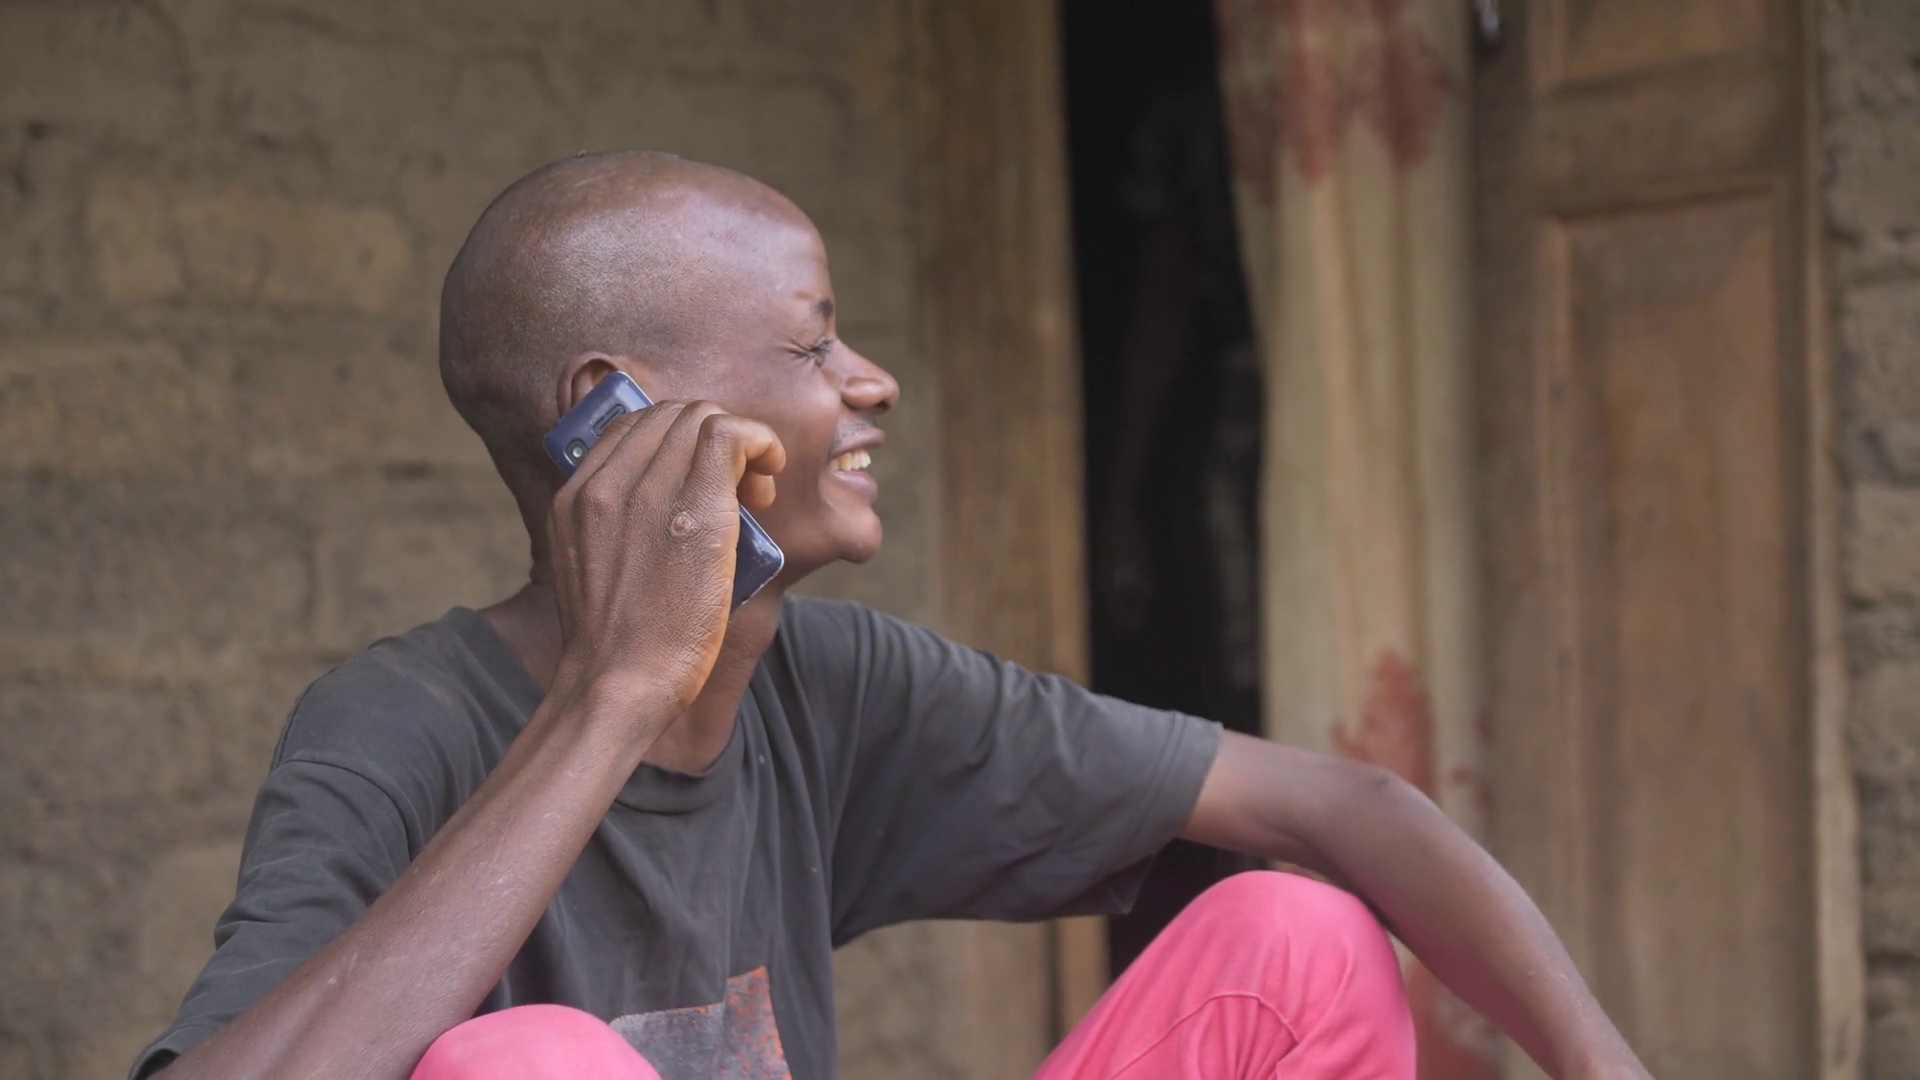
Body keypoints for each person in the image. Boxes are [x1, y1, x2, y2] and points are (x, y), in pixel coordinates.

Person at [133, 151, 1647, 1080]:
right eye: (813, 346)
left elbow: (1343, 812)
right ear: (616, 413)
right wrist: (612, 696)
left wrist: (1598, 1066)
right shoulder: (395, 726)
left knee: (1293, 940)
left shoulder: (833, 685)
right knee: (521, 1065)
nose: (873, 382)